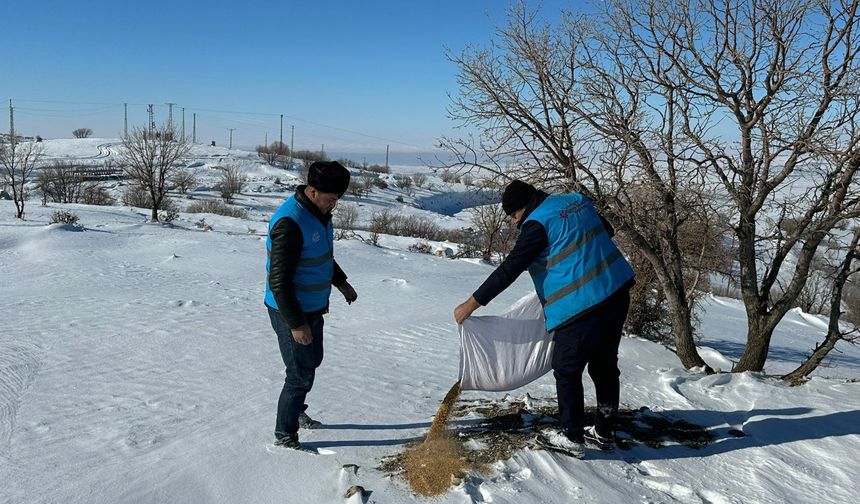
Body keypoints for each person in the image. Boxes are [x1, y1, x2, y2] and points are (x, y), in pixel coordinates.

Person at [454, 180, 635, 458]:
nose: (515, 222)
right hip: (617, 289)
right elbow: (606, 231)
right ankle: (605, 431)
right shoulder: (576, 200)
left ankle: (572, 436)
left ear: (523, 208)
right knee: (604, 364)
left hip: (582, 305)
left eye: (514, 216)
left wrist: (471, 304)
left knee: (566, 369)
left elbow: (510, 268)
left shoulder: (536, 224)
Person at [265, 160, 358, 449]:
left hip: (313, 307)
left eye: (337, 200)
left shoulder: (318, 213)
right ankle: (285, 435)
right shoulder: (290, 223)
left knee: (312, 361)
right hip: (291, 311)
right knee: (299, 373)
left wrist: (341, 283)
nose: (334, 205)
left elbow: (321, 255)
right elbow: (279, 282)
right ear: (314, 191)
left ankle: (296, 410)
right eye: (331, 199)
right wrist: (296, 324)